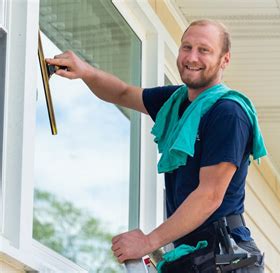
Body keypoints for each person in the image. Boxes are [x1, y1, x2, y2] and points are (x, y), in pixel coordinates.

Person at [46, 19, 266, 272]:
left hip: (224, 257)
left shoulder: (228, 112)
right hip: (196, 254)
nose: (192, 57)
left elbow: (210, 196)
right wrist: (85, 71)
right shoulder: (176, 102)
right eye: (187, 47)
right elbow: (122, 93)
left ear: (224, 60)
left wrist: (148, 242)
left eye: (204, 50)